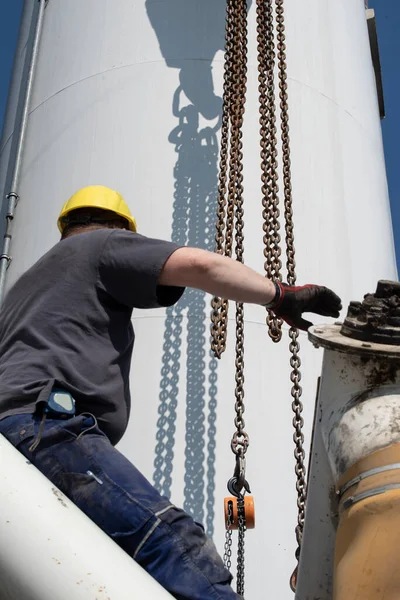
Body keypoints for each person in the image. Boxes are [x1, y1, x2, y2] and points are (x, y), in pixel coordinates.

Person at [0, 185, 342, 600]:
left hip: (13, 447)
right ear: (120, 229)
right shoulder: (104, 244)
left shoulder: (24, 285)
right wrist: (280, 296)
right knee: (175, 544)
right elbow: (198, 265)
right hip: (50, 430)